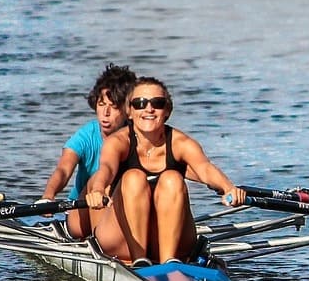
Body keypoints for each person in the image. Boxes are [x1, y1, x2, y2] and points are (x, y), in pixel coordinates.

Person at [84, 77, 245, 266]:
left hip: (171, 242)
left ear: (167, 110)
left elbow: (205, 168)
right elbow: (106, 169)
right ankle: (139, 262)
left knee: (173, 178)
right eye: (140, 103)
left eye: (157, 103)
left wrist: (229, 188)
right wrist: (98, 190)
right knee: (133, 177)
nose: (149, 109)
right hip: (121, 241)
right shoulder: (118, 143)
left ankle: (170, 264)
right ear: (129, 111)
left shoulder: (181, 143)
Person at [40, 63, 137, 239]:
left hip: (121, 210)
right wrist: (49, 195)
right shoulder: (86, 135)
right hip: (81, 214)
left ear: (127, 110)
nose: (105, 113)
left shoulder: (138, 136)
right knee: (102, 178)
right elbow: (63, 170)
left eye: (114, 107)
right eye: (101, 104)